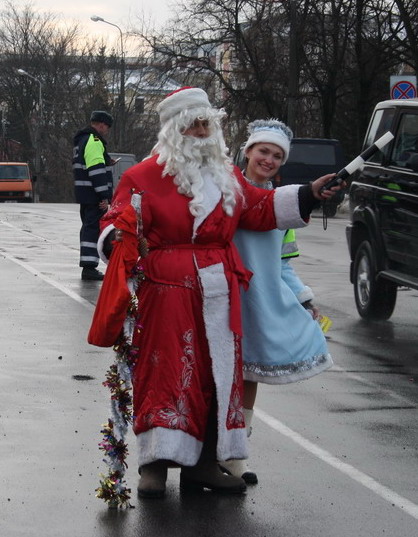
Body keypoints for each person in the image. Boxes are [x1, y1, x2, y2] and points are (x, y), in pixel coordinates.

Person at [92, 88, 342, 499]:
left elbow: (260, 208)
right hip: (165, 291)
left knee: (215, 377)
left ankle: (205, 464)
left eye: (207, 123)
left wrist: (309, 192)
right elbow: (116, 224)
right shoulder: (143, 177)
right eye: (192, 124)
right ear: (174, 129)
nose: (201, 131)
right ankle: (154, 465)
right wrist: (118, 239)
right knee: (164, 372)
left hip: (219, 291)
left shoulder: (226, 177)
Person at [221, 119, 333, 484]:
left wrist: (304, 300)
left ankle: (235, 456)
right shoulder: (227, 189)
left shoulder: (284, 206)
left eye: (276, 156)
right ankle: (208, 454)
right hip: (224, 293)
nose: (268, 160)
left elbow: (283, 264)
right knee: (218, 376)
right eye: (263, 151)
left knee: (248, 374)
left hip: (260, 300)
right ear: (248, 151)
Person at [73, 110, 114, 280]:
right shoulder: (94, 140)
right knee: (93, 229)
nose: (107, 131)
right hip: (94, 195)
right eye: (107, 127)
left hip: (85, 194)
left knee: (88, 228)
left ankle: (88, 265)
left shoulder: (81, 140)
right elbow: (96, 171)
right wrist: (104, 195)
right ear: (101, 125)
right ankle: (89, 268)